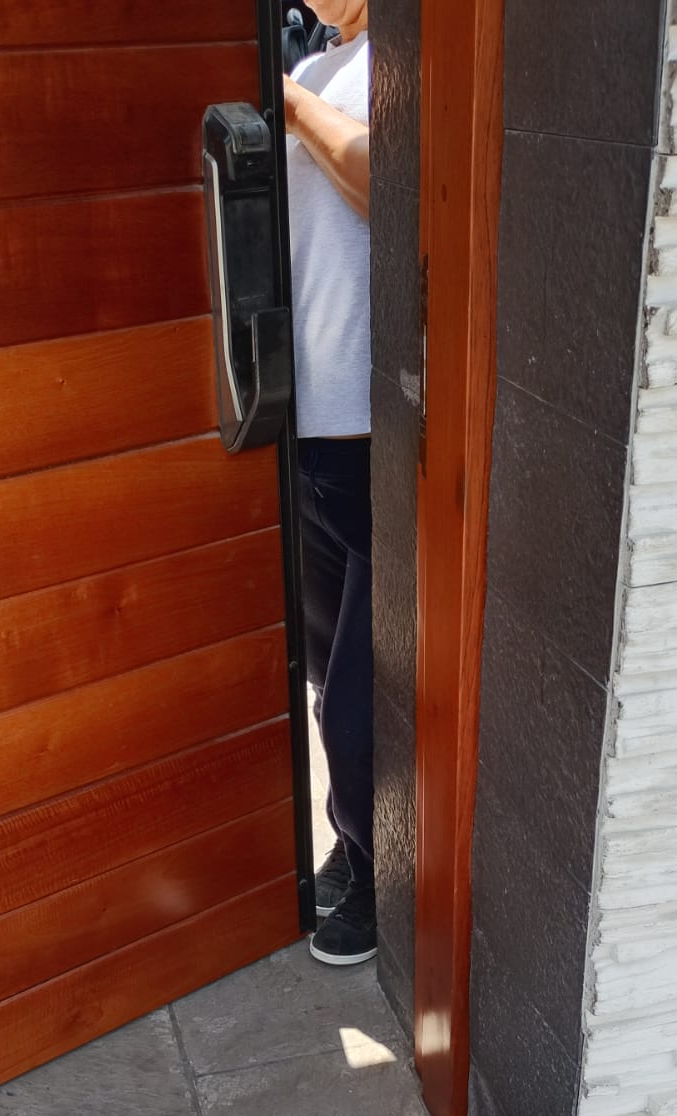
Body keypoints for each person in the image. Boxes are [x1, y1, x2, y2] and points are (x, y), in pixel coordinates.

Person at [284, 2, 373, 967]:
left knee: (355, 704)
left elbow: (393, 187)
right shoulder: (318, 64)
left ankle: (383, 872)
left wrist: (287, 105)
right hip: (304, 426)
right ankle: (355, 844)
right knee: (323, 680)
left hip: (373, 432)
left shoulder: (403, 56)